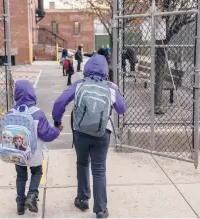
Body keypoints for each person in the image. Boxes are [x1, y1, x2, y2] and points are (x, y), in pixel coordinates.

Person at [52, 55, 126, 218]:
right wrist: (115, 92)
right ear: (106, 71)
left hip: (81, 132)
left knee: (82, 163)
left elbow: (59, 103)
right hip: (102, 133)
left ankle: (83, 199)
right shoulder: (110, 87)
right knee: (99, 169)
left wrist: (57, 121)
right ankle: (100, 209)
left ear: (86, 69)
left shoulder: (79, 84)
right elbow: (121, 109)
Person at [12, 80, 62, 215]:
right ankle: (32, 195)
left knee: (21, 176)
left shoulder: (11, 112)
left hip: (17, 152)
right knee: (37, 172)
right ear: (32, 94)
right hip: (33, 152)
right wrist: (57, 130)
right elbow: (47, 135)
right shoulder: (37, 113)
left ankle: (20, 204)